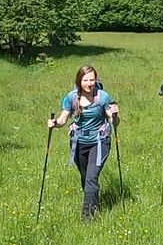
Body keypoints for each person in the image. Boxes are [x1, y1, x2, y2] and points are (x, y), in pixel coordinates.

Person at [49, 64, 118, 221]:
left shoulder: (103, 97)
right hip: (78, 142)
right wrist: (54, 123)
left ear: (96, 80)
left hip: (100, 142)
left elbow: (113, 122)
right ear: (79, 81)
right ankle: (93, 202)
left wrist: (115, 115)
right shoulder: (72, 97)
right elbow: (62, 119)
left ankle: (88, 217)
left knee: (91, 178)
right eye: (85, 80)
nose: (89, 83)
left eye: (92, 80)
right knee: (85, 177)